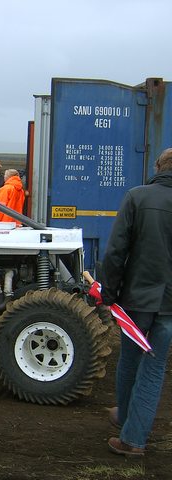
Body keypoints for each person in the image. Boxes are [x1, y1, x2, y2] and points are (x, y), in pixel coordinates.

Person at [97, 147, 172, 457]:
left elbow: (116, 250)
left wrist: (109, 293)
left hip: (137, 299)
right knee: (155, 368)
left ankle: (129, 429)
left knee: (130, 359)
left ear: (158, 167)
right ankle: (132, 431)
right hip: (169, 304)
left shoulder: (137, 197)